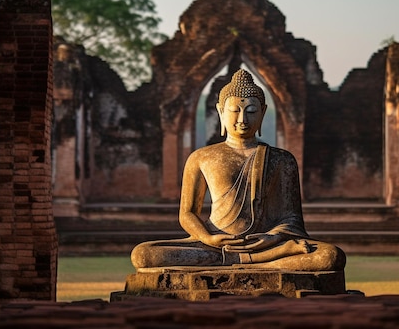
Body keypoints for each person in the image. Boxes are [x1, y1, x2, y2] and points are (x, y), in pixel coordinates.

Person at [131, 69, 345, 271]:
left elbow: (291, 219)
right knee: (143, 255)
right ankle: (255, 263)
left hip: (265, 244)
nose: (242, 119)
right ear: (221, 112)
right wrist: (208, 238)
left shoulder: (282, 160)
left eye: (251, 111)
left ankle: (248, 260)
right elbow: (187, 214)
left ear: (263, 113)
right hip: (215, 244)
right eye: (235, 111)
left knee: (329, 256)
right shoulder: (201, 157)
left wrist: (273, 237)